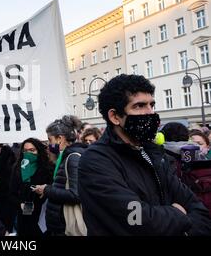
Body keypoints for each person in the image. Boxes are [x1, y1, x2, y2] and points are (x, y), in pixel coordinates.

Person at [78, 74, 211, 235]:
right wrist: (179, 216)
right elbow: (136, 218)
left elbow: (197, 208)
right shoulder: (96, 160)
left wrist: (185, 230)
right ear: (114, 116)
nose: (150, 113)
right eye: (139, 106)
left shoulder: (155, 153)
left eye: (151, 105)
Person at [32, 116, 87, 236]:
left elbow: (75, 194)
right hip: (60, 224)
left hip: (65, 226)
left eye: (50, 139)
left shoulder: (73, 158)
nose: (48, 144)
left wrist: (46, 189)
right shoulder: (65, 156)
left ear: (60, 139)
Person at [10, 138, 52, 236]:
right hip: (23, 215)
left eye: (32, 150)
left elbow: (51, 189)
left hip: (42, 216)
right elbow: (11, 194)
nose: (28, 153)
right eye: (25, 151)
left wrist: (43, 190)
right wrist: (20, 204)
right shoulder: (17, 168)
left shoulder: (47, 168)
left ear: (38, 151)